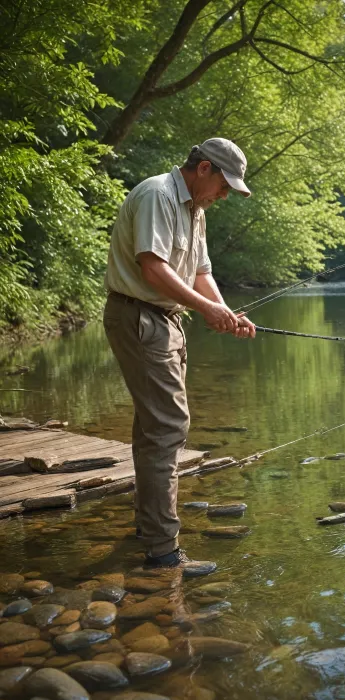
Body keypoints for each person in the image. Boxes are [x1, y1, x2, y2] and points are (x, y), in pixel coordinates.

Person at [103, 138, 257, 569]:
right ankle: (163, 550)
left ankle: (149, 527)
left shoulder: (196, 210)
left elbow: (201, 271)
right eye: (224, 186)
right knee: (168, 427)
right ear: (204, 168)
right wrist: (206, 309)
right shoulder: (158, 194)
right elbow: (154, 268)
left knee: (154, 426)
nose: (224, 196)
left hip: (164, 321)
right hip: (140, 316)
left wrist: (225, 312)